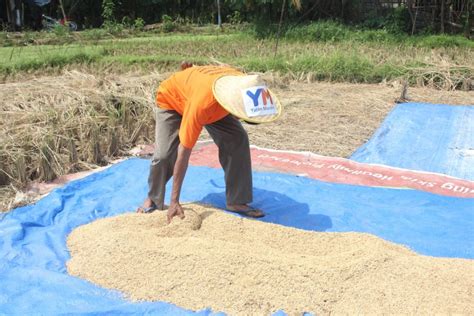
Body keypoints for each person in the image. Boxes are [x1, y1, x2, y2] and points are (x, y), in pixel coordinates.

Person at [137, 62, 281, 223]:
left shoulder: (244, 82)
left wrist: (191, 72)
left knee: (237, 138)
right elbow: (183, 153)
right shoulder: (203, 105)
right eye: (241, 116)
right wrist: (174, 201)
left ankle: (237, 201)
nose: (240, 119)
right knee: (164, 155)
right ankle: (153, 198)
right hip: (172, 101)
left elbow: (217, 69)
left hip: (211, 99)